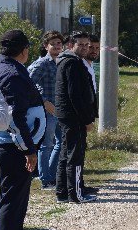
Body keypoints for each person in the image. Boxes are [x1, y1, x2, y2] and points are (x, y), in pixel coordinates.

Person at [0, 30, 44, 230]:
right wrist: (29, 150)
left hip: (11, 144)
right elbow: (16, 117)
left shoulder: (1, 67)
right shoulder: (12, 73)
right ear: (24, 50)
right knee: (12, 200)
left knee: (16, 199)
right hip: (14, 147)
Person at [55, 32, 97, 204]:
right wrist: (87, 119)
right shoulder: (72, 63)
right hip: (74, 117)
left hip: (68, 116)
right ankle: (76, 194)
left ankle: (63, 191)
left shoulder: (70, 61)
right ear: (71, 45)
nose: (85, 48)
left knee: (66, 153)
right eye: (81, 44)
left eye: (87, 45)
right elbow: (75, 96)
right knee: (75, 156)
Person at [27, 31, 64, 190]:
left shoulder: (61, 62)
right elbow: (28, 84)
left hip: (60, 111)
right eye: (53, 43)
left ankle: (53, 175)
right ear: (46, 46)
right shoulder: (42, 63)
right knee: (46, 145)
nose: (57, 46)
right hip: (47, 111)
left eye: (59, 43)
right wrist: (44, 102)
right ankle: (45, 179)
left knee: (61, 143)